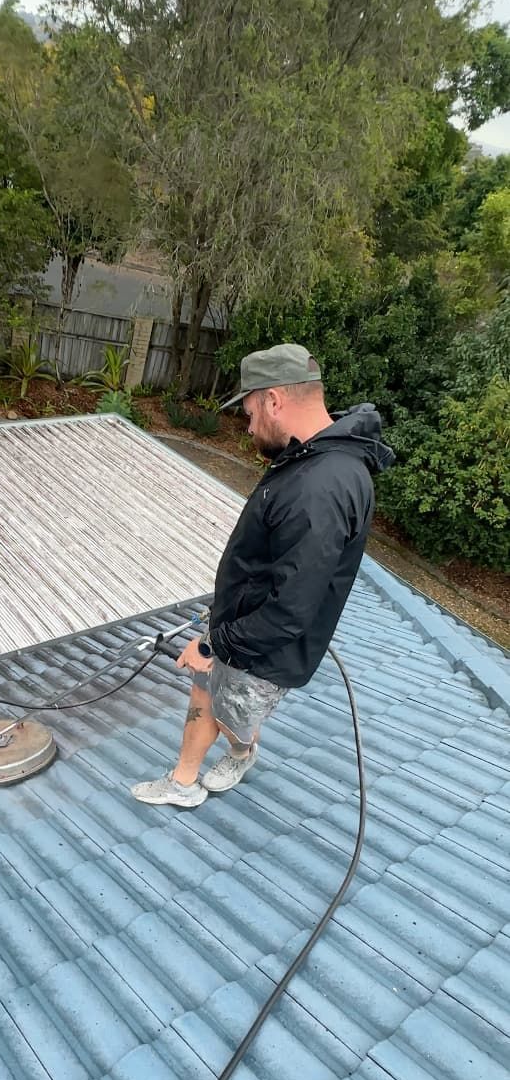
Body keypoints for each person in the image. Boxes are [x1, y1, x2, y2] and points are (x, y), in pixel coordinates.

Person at [132, 343, 394, 808]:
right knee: (208, 688)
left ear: (274, 401)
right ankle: (185, 780)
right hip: (243, 625)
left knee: (230, 707)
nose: (249, 425)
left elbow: (291, 608)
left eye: (251, 411)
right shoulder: (311, 459)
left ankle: (238, 752)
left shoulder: (322, 486)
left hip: (263, 646)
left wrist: (215, 644)